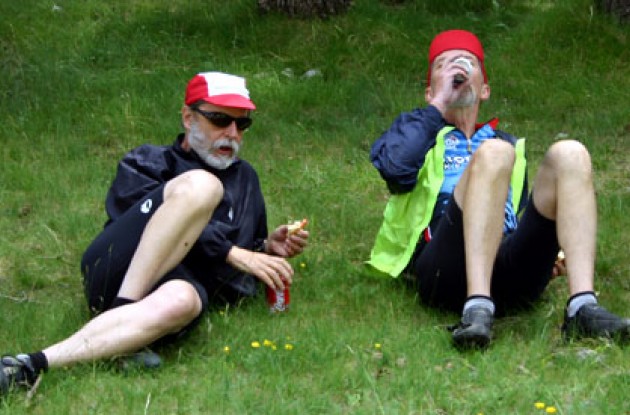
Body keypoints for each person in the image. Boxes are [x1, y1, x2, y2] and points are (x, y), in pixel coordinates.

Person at [0, 71, 309, 394]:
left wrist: (268, 249)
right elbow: (150, 229)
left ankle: (29, 365)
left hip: (177, 287)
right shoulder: (147, 162)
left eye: (241, 124)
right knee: (203, 186)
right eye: (219, 120)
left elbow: (241, 269)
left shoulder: (246, 178)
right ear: (188, 117)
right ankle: (120, 312)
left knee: (184, 301)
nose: (231, 133)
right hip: (116, 272)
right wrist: (230, 252)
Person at [367, 29, 630, 348]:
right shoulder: (417, 131)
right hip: (445, 269)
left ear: (485, 89)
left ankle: (583, 307)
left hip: (506, 268)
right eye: (443, 65)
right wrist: (438, 106)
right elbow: (396, 169)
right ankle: (476, 308)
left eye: (467, 63)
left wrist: (546, 252)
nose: (457, 68)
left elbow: (513, 215)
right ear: (428, 91)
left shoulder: (505, 144)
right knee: (493, 153)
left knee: (570, 152)